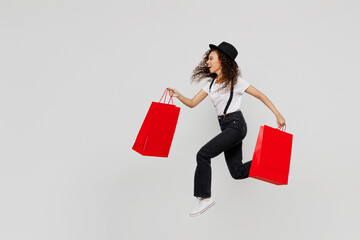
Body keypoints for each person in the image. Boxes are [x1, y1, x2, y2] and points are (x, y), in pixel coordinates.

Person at [168, 41, 286, 217]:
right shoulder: (210, 84)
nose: (207, 62)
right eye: (207, 59)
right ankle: (269, 162)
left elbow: (260, 95)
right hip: (226, 127)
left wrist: (277, 114)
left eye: (211, 58)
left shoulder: (236, 82)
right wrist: (178, 95)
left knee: (203, 154)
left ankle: (204, 197)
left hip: (235, 125)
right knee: (237, 172)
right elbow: (192, 103)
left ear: (222, 60)